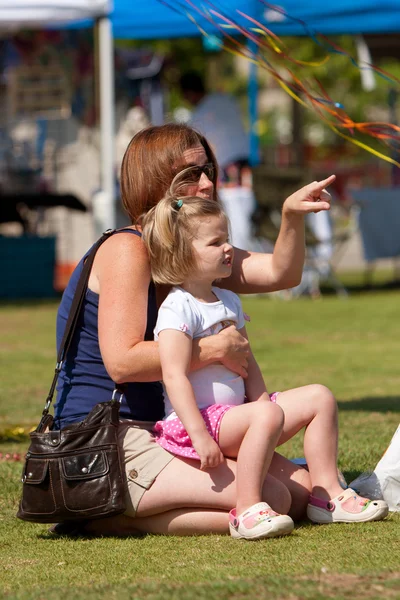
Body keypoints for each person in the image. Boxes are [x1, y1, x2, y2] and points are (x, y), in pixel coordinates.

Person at [51, 123, 387, 538]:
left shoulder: (195, 252)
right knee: (274, 498)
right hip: (108, 438)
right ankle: (109, 515)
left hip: (164, 430)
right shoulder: (129, 248)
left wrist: (291, 217)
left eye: (207, 169)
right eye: (191, 174)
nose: (209, 182)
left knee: (301, 494)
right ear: (155, 180)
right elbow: (122, 362)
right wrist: (212, 348)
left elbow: (282, 273)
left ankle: (128, 509)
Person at [142, 192, 294, 540]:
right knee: (267, 417)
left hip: (229, 418)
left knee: (311, 402)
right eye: (215, 242)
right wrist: (198, 435)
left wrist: (262, 403)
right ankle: (247, 510)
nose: (228, 248)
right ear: (181, 253)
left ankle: (326, 492)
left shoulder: (229, 300)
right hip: (194, 423)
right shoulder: (177, 308)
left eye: (227, 239)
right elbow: (173, 375)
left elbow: (247, 361)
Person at [179, 71, 257, 251]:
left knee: (235, 219)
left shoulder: (200, 114)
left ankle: (239, 260)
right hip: (244, 163)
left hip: (226, 167)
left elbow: (209, 145)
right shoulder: (225, 100)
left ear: (188, 93)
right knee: (244, 214)